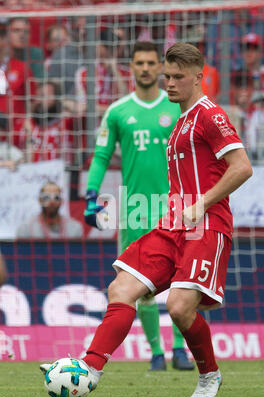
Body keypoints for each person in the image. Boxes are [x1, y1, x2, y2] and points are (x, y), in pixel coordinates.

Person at [41, 42, 252, 397]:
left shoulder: (209, 114)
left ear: (199, 77)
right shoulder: (180, 120)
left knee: (179, 306)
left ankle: (209, 375)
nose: (168, 82)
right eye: (166, 76)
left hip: (205, 222)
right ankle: (89, 371)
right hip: (173, 222)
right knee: (121, 288)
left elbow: (242, 167)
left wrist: (201, 204)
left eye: (177, 77)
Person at [84, 41, 194, 371]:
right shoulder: (118, 111)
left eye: (150, 62)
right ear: (130, 68)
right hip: (135, 209)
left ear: (160, 68)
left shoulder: (178, 107)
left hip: (180, 205)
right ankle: (157, 352)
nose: (145, 68)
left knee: (182, 282)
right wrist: (92, 194)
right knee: (138, 285)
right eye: (139, 63)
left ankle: (179, 350)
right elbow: (102, 155)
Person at [17, 181, 83, 239]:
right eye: (46, 197)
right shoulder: (26, 229)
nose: (52, 202)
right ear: (40, 200)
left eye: (56, 198)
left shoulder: (74, 228)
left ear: (61, 201)